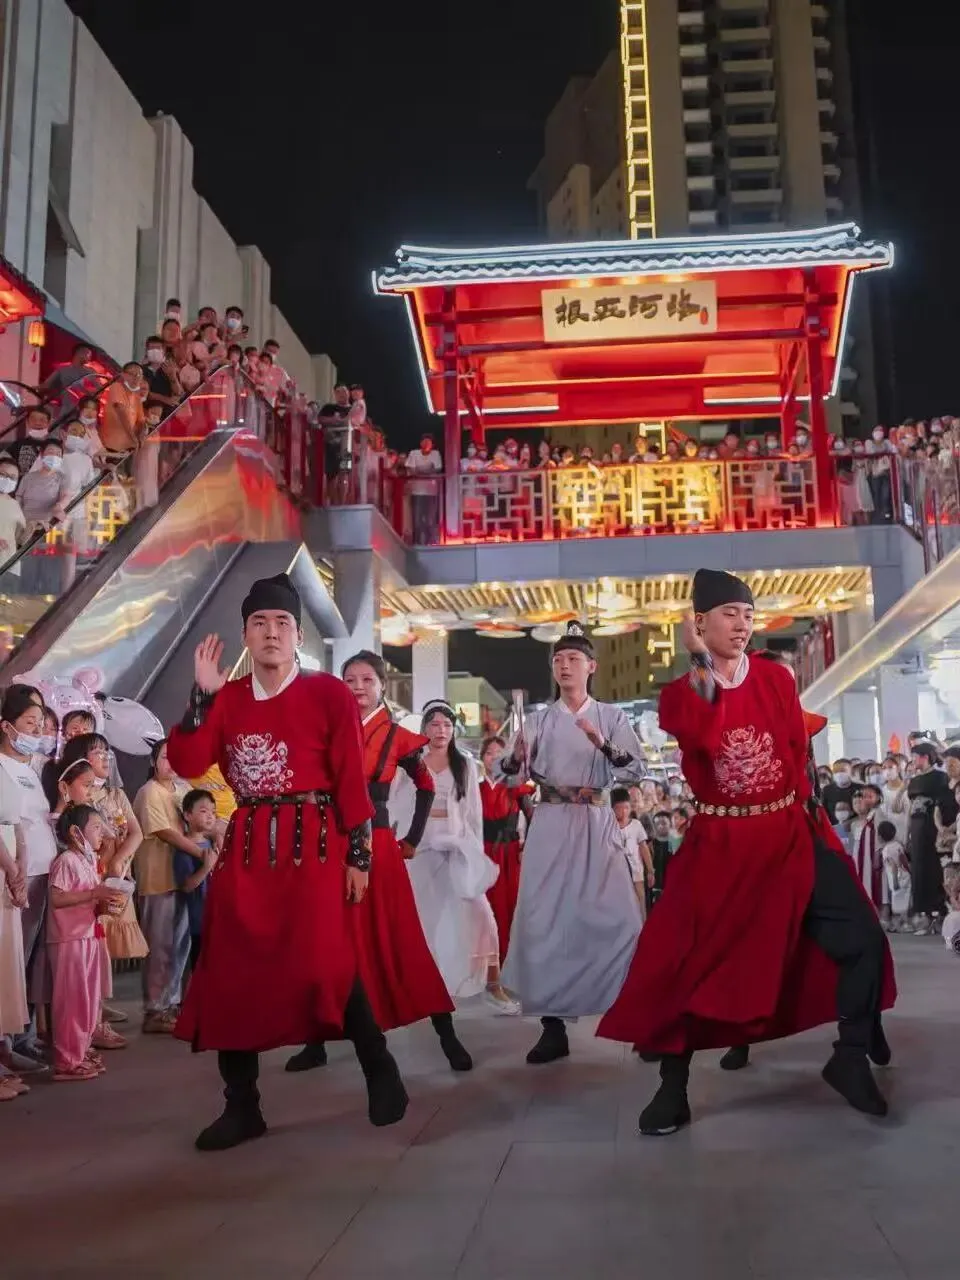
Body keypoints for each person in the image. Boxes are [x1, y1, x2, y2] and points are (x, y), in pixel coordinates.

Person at [598, 569, 895, 1134]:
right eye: (729, 614)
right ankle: (673, 1089)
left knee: (862, 936)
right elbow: (706, 730)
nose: (742, 624)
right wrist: (698, 661)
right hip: (722, 845)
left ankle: (851, 1053)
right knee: (687, 964)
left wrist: (811, 821)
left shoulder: (775, 677)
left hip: (788, 835)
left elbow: (793, 748)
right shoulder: (681, 693)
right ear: (699, 622)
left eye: (749, 615)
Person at [165, 573, 408, 1150]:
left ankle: (378, 1065)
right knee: (229, 974)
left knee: (326, 961)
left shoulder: (328, 693)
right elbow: (189, 761)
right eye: (259, 623)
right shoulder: (227, 699)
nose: (271, 632)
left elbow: (350, 779)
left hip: (315, 844)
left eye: (282, 623)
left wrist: (358, 853)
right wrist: (201, 696)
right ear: (245, 635)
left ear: (298, 635)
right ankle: (242, 1105)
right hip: (248, 849)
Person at [286, 652, 471, 1076]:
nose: (357, 687)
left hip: (379, 845)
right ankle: (316, 1040)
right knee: (326, 940)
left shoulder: (398, 736)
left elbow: (426, 785)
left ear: (383, 685)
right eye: (349, 679)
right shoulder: (324, 728)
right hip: (330, 845)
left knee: (401, 938)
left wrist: (413, 839)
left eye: (367, 679)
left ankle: (447, 1035)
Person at [498, 621, 645, 1064]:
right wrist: (515, 758)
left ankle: (638, 1014)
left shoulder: (611, 717)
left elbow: (634, 770)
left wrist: (603, 745)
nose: (564, 666)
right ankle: (552, 1025)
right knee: (546, 919)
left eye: (574, 659)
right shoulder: (537, 720)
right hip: (550, 821)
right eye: (558, 659)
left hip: (596, 819)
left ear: (591, 667)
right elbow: (507, 775)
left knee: (619, 917)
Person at [401, 701, 514, 1013]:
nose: (441, 730)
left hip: (456, 845)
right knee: (422, 917)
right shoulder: (411, 761)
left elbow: (473, 814)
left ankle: (493, 984)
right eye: (435, 724)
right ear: (424, 728)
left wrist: (473, 851)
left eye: (447, 725)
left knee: (482, 915)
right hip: (420, 846)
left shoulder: (464, 764)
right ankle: (420, 987)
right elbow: (398, 804)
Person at [0, 685, 57, 1065]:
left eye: (39, 724)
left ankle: (24, 1036)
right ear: (7, 725)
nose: (36, 731)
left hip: (41, 871)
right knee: (10, 962)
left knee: (32, 964)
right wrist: (15, 870)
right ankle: (6, 1043)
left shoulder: (28, 768)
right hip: (16, 877)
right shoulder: (2, 766)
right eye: (29, 723)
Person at [47, 805, 125, 1082]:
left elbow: (89, 898)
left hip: (88, 935)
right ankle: (67, 1061)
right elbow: (57, 898)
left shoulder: (87, 860)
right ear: (75, 832)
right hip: (69, 939)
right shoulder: (67, 860)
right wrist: (95, 893)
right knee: (72, 1001)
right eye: (96, 828)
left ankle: (79, 1051)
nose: (101, 833)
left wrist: (105, 904)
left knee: (88, 1000)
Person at [133, 741, 194, 1034]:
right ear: (154, 761)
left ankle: (172, 1004)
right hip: (157, 880)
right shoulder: (149, 792)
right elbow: (165, 832)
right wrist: (200, 851)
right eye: (166, 757)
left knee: (180, 947)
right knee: (159, 948)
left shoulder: (183, 790)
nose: (171, 763)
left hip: (183, 879)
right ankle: (155, 1009)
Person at [479, 735, 529, 965]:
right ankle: (488, 961)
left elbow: (532, 816)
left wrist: (527, 846)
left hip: (510, 854)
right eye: (489, 753)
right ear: (482, 758)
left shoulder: (515, 786)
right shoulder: (474, 788)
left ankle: (512, 961)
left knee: (511, 905)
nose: (494, 758)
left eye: (499, 753)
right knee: (485, 906)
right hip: (483, 852)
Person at [0, 754, 29, 1100]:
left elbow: (16, 822)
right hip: (3, 864)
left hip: (8, 864)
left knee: (6, 963)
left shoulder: (8, 768)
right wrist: (11, 868)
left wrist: (20, 864)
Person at [905, 740, 955, 935]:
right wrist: (908, 834)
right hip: (916, 829)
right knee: (919, 871)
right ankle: (924, 915)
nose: (912, 761)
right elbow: (910, 807)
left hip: (933, 828)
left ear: (925, 757)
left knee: (934, 870)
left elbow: (945, 805)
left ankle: (940, 913)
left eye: (915, 757)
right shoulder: (914, 781)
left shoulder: (940, 778)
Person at [173, 789, 219, 975]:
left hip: (214, 918)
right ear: (187, 815)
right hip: (196, 921)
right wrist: (206, 867)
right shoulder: (184, 848)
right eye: (203, 811)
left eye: (213, 812)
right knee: (199, 967)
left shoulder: (212, 844)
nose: (210, 816)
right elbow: (186, 886)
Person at [611, 786, 654, 918]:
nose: (623, 812)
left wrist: (650, 871)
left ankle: (642, 927)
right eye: (619, 808)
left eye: (626, 807)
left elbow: (644, 848)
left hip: (636, 873)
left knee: (640, 904)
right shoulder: (609, 827)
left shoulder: (636, 825)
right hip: (616, 875)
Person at [405, 434, 442, 544]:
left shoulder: (436, 454)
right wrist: (427, 471)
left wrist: (419, 471)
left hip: (431, 492)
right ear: (420, 443)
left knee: (430, 520)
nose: (426, 444)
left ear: (432, 445)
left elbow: (437, 469)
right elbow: (411, 469)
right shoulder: (413, 453)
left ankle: (429, 543)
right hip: (416, 491)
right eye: (424, 441)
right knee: (417, 520)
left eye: (428, 442)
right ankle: (416, 543)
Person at [878, 819, 910, 931]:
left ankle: (899, 925)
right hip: (905, 875)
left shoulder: (886, 850)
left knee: (897, 904)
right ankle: (905, 924)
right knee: (905, 901)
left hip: (896, 878)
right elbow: (904, 860)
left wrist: (895, 881)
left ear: (880, 837)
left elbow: (893, 866)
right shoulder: (898, 845)